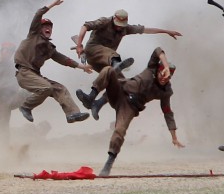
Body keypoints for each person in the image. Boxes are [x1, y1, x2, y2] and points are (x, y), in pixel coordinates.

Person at [75, 47, 185, 176]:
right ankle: (91, 97)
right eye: (162, 74)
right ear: (159, 70)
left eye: (168, 77)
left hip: (129, 107)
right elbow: (158, 50)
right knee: (109, 70)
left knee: (119, 130)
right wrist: (165, 65)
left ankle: (109, 163)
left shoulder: (166, 91)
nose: (164, 78)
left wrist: (174, 137)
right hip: (119, 91)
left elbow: (167, 112)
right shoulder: (151, 69)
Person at [74, 9, 181, 119]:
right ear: (114, 19)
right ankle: (115, 64)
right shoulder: (104, 22)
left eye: (122, 25)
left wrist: (166, 31)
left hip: (105, 61)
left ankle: (94, 101)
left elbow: (145, 30)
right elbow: (85, 26)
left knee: (119, 82)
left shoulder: (125, 29)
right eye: (118, 25)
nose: (119, 28)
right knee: (110, 54)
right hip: (93, 51)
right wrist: (79, 45)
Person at [14, 0, 92, 124]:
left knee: (60, 88)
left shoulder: (49, 47)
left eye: (49, 26)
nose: (48, 28)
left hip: (35, 75)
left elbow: (63, 59)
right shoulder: (33, 35)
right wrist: (52, 5)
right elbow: (38, 14)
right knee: (46, 88)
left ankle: (72, 114)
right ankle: (26, 106)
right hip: (24, 73)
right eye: (44, 26)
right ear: (38, 29)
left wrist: (82, 67)